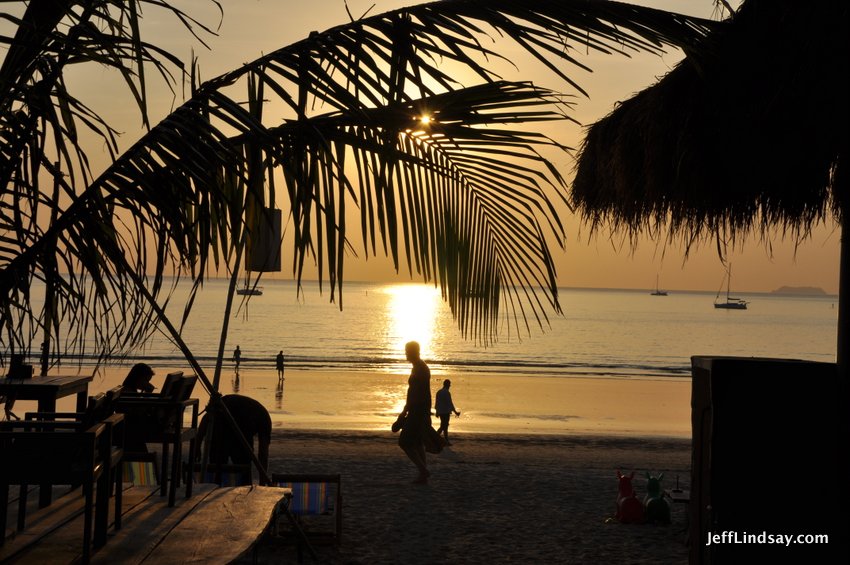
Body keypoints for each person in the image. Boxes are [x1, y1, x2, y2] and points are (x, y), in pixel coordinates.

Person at [198, 394, 272, 472]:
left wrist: (198, 443)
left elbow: (263, 454)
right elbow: (207, 418)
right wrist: (197, 444)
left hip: (243, 424)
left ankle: (236, 477)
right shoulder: (220, 407)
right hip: (226, 416)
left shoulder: (262, 418)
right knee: (219, 460)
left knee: (241, 462)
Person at [396, 341, 432, 484]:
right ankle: (423, 475)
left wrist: (405, 411)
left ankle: (423, 470)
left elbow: (417, 394)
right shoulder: (418, 367)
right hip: (419, 409)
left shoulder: (420, 369)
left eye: (407, 351)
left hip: (417, 410)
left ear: (413, 352)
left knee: (404, 442)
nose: (405, 353)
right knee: (417, 443)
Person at [435, 379, 461, 445]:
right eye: (449, 385)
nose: (450, 386)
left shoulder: (439, 392)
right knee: (444, 426)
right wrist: (455, 412)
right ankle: (436, 438)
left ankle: (444, 441)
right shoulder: (447, 393)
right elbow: (450, 403)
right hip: (445, 412)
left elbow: (437, 403)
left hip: (441, 412)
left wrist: (437, 411)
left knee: (444, 426)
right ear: (448, 385)